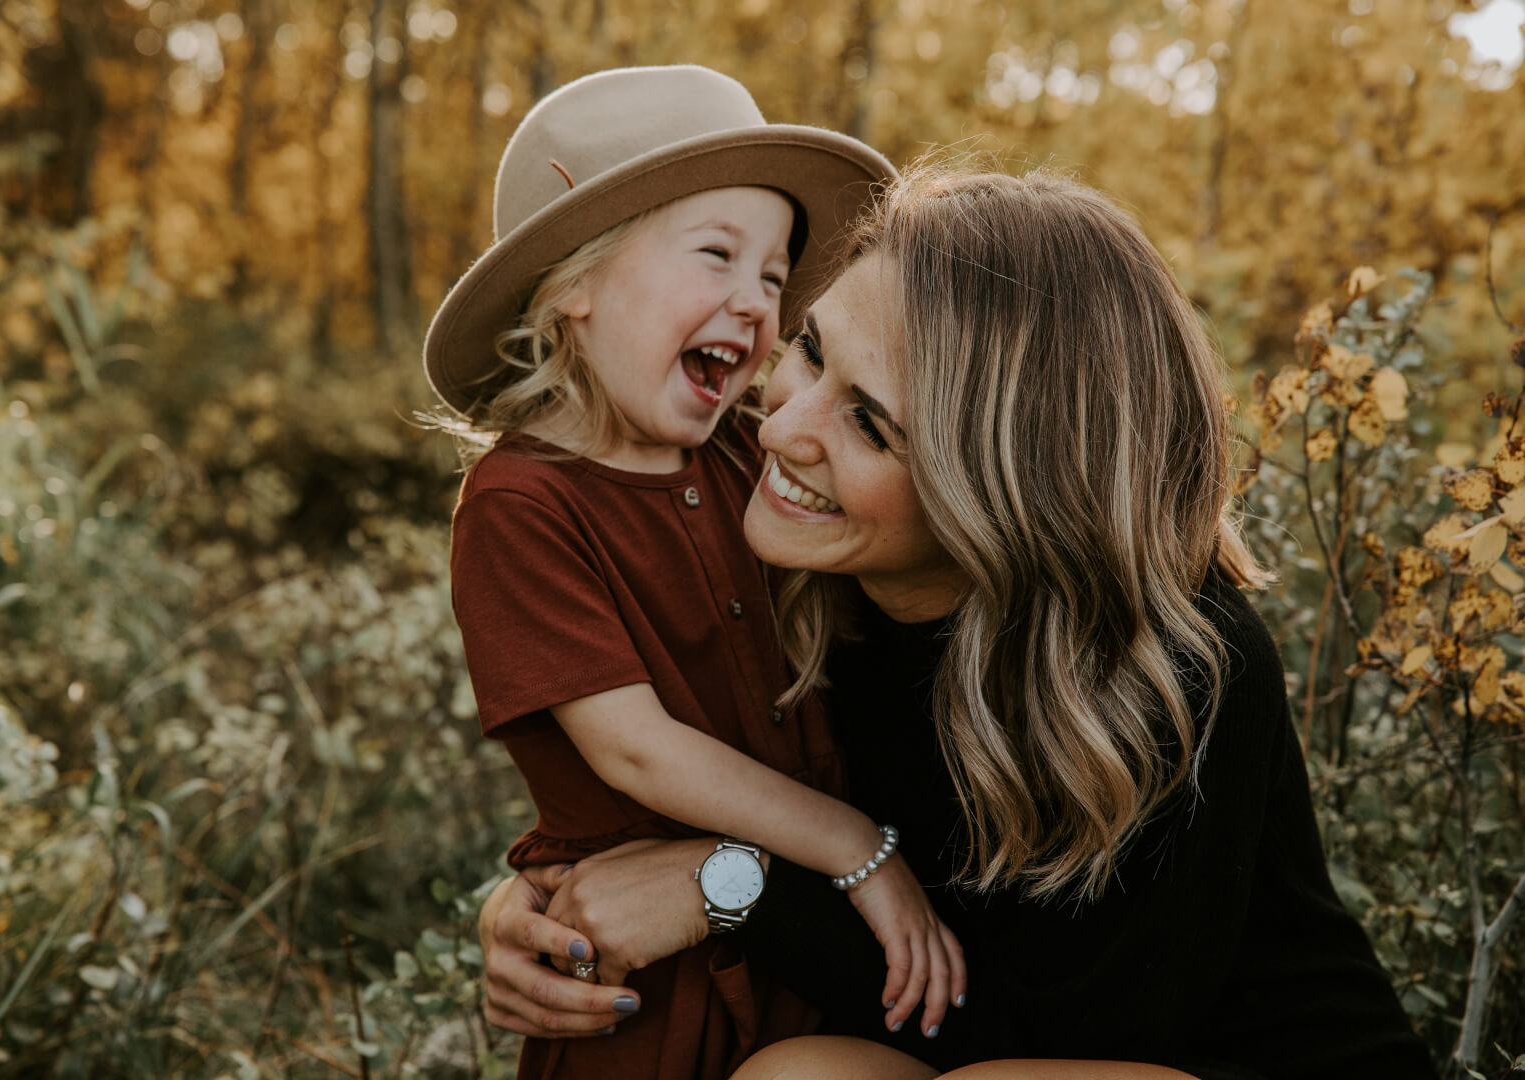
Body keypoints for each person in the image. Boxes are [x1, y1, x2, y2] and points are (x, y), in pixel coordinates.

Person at [472, 165, 1441, 1079]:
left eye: (870, 424)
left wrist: (730, 890)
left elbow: (1044, 1040)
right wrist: (548, 907)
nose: (777, 429)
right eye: (808, 351)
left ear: (1007, 489)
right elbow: (666, 761)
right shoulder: (802, 571)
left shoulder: (1169, 669)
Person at [426, 66, 965, 1080]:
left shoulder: (743, 449)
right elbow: (636, 753)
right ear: (572, 286)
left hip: (798, 944)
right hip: (642, 975)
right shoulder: (521, 503)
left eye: (773, 275)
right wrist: (856, 844)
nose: (755, 302)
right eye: (716, 255)